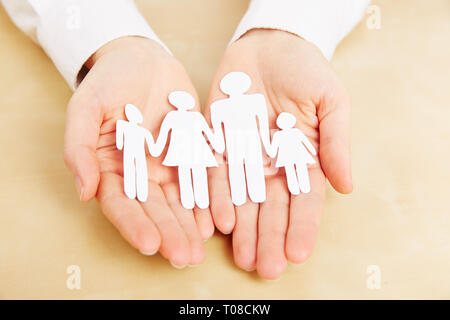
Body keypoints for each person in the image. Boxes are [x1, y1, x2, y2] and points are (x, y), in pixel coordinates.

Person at [2, 0, 370, 276]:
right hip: (192, 152)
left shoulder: (244, 114)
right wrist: (108, 37)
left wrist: (292, 25)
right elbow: (202, 139)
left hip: (240, 149)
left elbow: (249, 132)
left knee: (236, 178)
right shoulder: (187, 121)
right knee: (203, 179)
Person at [210, 71, 270, 206]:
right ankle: (248, 195)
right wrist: (267, 144)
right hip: (242, 142)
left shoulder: (219, 106)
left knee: (240, 167)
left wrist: (218, 146)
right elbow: (263, 125)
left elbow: (263, 123)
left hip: (239, 143)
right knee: (245, 167)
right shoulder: (254, 101)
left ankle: (245, 195)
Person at [153, 91, 219, 210]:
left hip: (194, 150)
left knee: (193, 174)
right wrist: (156, 149)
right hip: (186, 151)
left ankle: (200, 200)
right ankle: (192, 201)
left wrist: (218, 145)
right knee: (188, 175)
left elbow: (208, 133)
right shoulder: (174, 116)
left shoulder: (192, 116)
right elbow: (163, 134)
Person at [268, 112, 317, 195]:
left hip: (290, 155)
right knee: (298, 170)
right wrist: (312, 151)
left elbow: (273, 150)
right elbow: (306, 142)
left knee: (292, 171)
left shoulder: (279, 135)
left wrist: (270, 152)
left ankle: (298, 188)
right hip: (296, 154)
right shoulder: (293, 132)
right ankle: (300, 188)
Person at [116, 104, 155, 202]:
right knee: (135, 169)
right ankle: (133, 191)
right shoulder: (123, 125)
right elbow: (119, 143)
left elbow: (120, 144)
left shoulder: (124, 125)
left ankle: (139, 193)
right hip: (134, 152)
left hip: (134, 152)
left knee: (136, 169)